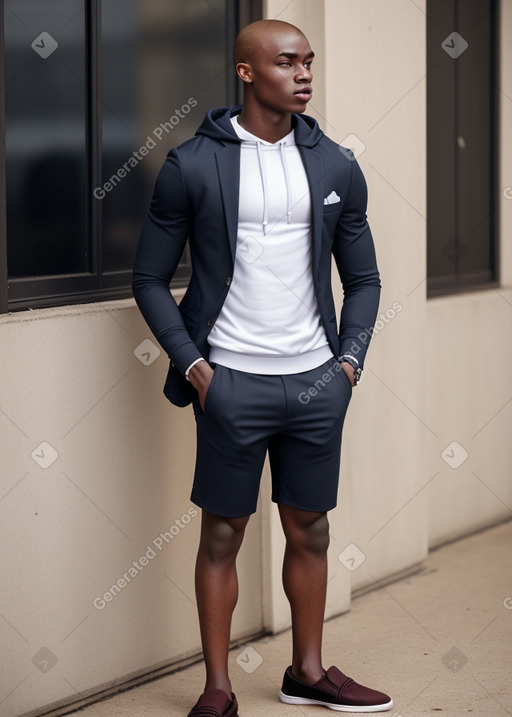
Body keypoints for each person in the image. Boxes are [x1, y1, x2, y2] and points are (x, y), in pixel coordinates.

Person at [132, 18, 392, 717]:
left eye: (308, 61)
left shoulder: (336, 164)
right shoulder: (192, 164)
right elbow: (149, 278)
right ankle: (217, 689)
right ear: (246, 72)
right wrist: (193, 366)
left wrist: (349, 362)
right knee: (223, 532)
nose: (304, 73)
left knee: (311, 527)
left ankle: (307, 670)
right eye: (287, 62)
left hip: (316, 381)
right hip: (230, 381)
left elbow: (364, 280)